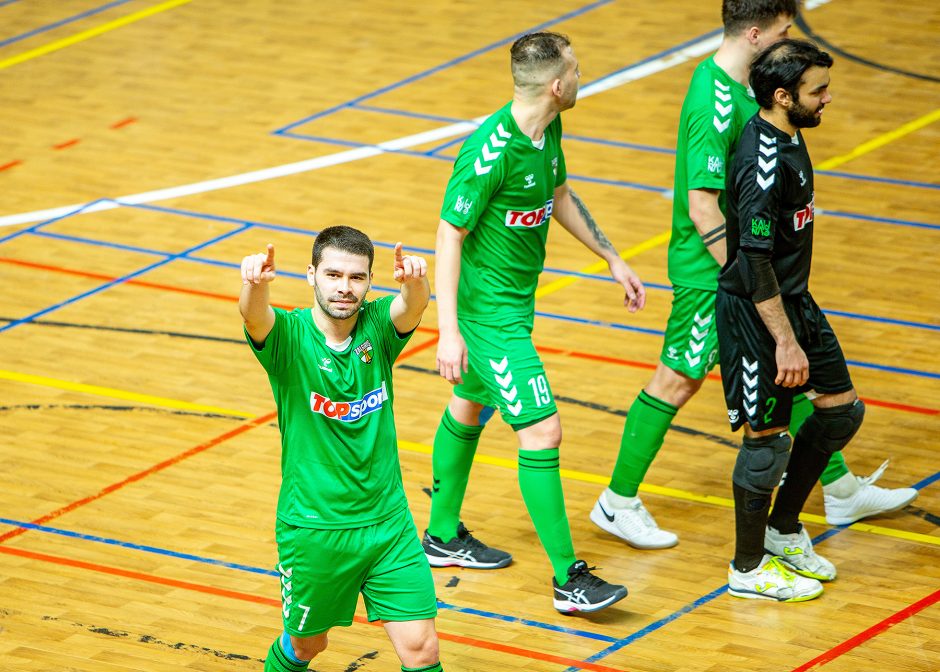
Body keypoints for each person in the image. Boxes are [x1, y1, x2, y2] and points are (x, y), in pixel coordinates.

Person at [591, 0, 915, 550]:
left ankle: (837, 486)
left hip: (745, 273)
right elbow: (701, 207)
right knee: (678, 378)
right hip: (712, 275)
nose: (790, 41)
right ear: (758, 32)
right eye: (786, 31)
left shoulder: (743, 87)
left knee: (785, 369)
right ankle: (617, 503)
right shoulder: (711, 101)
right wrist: (748, 281)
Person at [423, 31, 642, 614]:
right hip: (489, 318)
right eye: (577, 68)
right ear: (555, 84)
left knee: (468, 407)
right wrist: (450, 330)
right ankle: (569, 579)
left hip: (514, 306)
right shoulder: (489, 151)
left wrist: (612, 257)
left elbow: (560, 193)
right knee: (542, 432)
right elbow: (449, 234)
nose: (581, 76)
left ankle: (442, 537)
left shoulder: (548, 130)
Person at [240, 227, 445, 672]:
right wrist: (254, 286)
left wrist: (415, 282)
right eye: (333, 275)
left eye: (356, 277)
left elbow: (412, 307)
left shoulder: (376, 329)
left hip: (388, 524)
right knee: (306, 647)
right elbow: (256, 319)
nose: (344, 287)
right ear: (311, 274)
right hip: (316, 530)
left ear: (370, 282)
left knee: (421, 647)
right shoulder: (290, 338)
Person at [719, 38, 860, 601]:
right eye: (817, 90)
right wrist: (784, 341)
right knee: (766, 441)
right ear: (782, 96)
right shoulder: (762, 161)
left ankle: (782, 530)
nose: (828, 98)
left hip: (796, 299)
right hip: (757, 312)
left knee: (840, 411)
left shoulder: (792, 133)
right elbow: (752, 261)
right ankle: (747, 569)